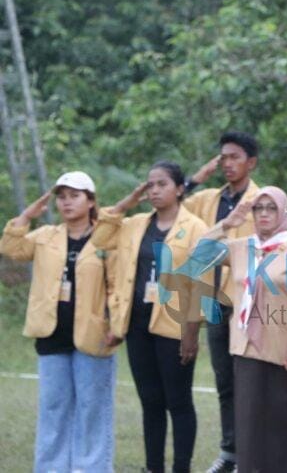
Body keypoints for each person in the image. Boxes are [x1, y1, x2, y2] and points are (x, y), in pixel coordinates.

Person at [91, 161, 208, 473]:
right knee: (151, 401)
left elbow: (202, 283)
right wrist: (128, 202)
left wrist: (192, 332)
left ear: (180, 189)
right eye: (150, 185)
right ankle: (152, 467)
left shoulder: (195, 227)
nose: (154, 190)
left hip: (175, 327)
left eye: (162, 184)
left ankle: (181, 467)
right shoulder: (135, 224)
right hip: (137, 325)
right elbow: (100, 237)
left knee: (178, 402)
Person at [0, 171, 117, 473]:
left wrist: (116, 324)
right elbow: (10, 248)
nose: (66, 203)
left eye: (75, 196)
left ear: (91, 201)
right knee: (53, 408)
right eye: (61, 197)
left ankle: (90, 468)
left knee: (92, 409)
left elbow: (118, 286)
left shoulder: (107, 238)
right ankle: (51, 468)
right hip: (51, 334)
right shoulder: (45, 236)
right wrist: (27, 215)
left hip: (93, 335)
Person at [195, 186, 287, 473]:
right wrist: (228, 223)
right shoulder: (241, 248)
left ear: (284, 212)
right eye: (258, 208)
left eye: (271, 208)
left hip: (281, 352)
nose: (263, 214)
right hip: (244, 347)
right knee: (247, 422)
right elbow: (199, 253)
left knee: (278, 423)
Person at [183, 131, 261, 473]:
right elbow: (173, 204)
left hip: (251, 303)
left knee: (252, 380)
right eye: (223, 158)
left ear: (251, 162)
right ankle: (230, 452)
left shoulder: (264, 200)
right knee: (225, 381)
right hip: (216, 302)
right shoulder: (208, 200)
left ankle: (253, 451)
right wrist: (196, 178)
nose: (228, 164)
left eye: (235, 157)